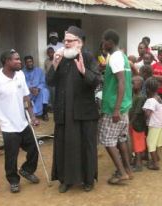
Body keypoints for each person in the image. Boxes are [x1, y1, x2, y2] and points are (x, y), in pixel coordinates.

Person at [47, 26, 100, 192]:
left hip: (84, 113)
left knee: (86, 147)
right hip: (64, 113)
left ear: (80, 43)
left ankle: (88, 180)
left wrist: (84, 72)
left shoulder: (88, 57)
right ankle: (65, 180)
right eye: (65, 40)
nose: (66, 43)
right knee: (64, 147)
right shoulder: (60, 58)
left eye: (70, 40)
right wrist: (54, 63)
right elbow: (49, 81)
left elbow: (96, 81)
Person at [0, 49, 40, 193]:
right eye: (16, 59)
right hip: (8, 126)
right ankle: (13, 181)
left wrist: (32, 116)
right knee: (11, 156)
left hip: (22, 122)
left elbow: (25, 97)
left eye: (19, 59)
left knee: (34, 148)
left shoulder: (20, 75)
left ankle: (27, 170)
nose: (19, 61)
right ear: (7, 62)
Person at [99, 29, 133, 185]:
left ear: (110, 42)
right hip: (124, 105)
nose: (102, 43)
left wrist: (116, 109)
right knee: (121, 139)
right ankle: (128, 170)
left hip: (114, 107)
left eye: (104, 40)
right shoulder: (122, 56)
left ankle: (121, 172)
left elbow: (121, 82)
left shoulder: (114, 58)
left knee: (108, 141)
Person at [143, 77, 162, 170]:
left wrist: (144, 113)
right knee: (155, 142)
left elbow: (148, 114)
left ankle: (155, 164)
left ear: (148, 89)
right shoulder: (160, 99)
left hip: (153, 125)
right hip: (161, 124)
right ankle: (156, 157)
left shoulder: (150, 100)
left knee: (150, 144)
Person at [23, 56, 50, 121]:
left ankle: (44, 113)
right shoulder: (22, 72)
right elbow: (22, 84)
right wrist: (30, 88)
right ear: (25, 63)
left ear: (33, 62)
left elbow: (43, 82)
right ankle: (33, 113)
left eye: (30, 61)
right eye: (27, 62)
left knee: (45, 91)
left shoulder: (39, 70)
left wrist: (38, 89)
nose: (29, 63)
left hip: (38, 91)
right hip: (28, 92)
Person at [129, 76, 147, 171]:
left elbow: (137, 112)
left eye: (133, 83)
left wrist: (130, 123)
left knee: (138, 144)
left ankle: (139, 164)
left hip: (138, 125)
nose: (131, 85)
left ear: (140, 85)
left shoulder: (141, 97)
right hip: (134, 124)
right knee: (135, 144)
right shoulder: (134, 95)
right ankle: (136, 160)